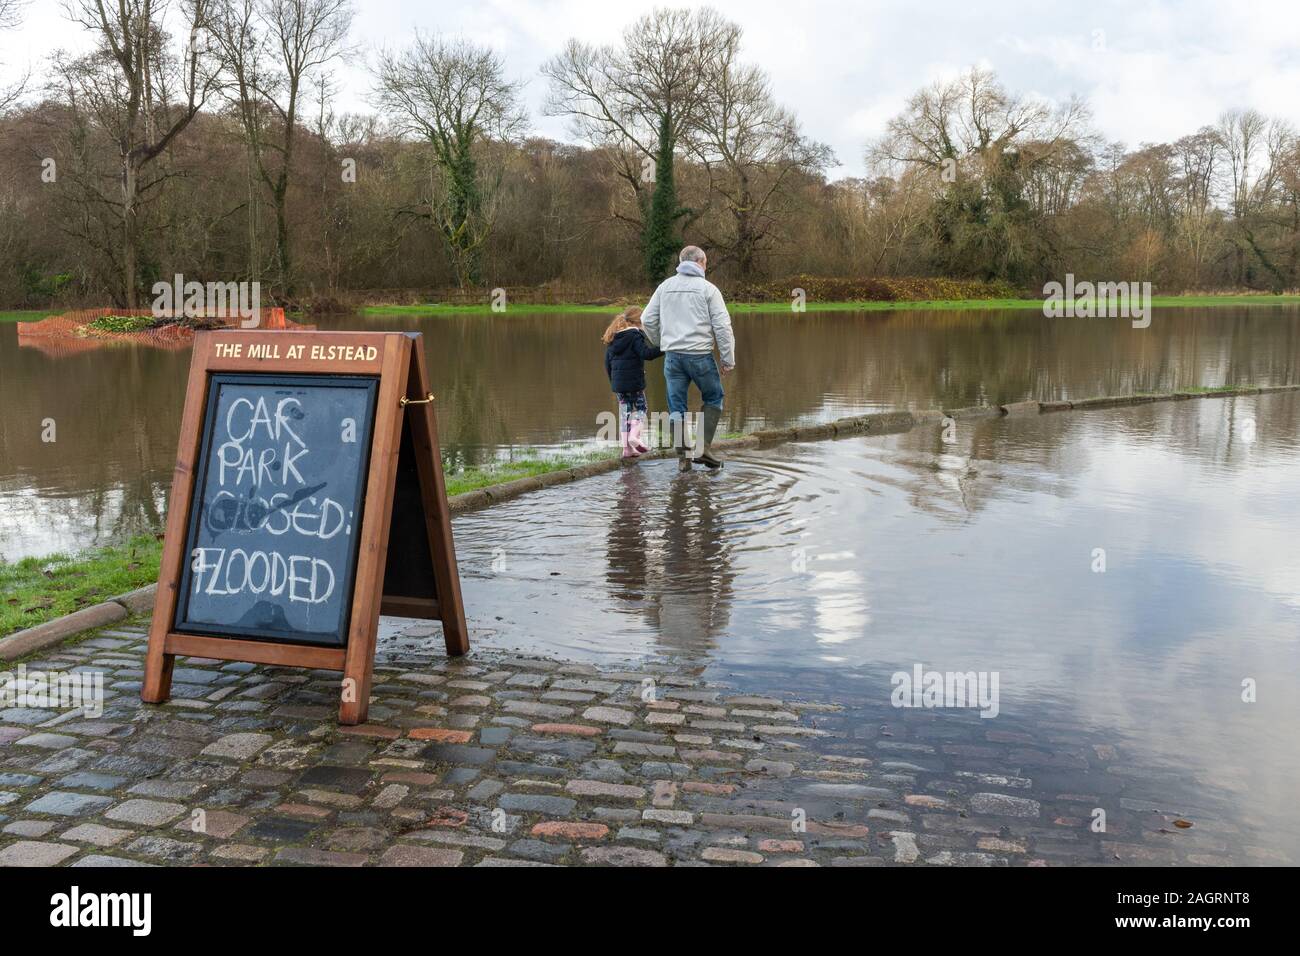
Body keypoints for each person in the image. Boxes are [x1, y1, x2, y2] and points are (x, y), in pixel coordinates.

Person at [641, 245, 736, 471]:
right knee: (713, 397)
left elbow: (646, 320)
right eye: (706, 262)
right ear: (701, 262)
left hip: (673, 358)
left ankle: (683, 459)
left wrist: (660, 342)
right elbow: (722, 327)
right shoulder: (708, 289)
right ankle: (702, 449)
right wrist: (727, 359)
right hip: (700, 356)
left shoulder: (665, 287)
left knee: (677, 407)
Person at [603, 305, 662, 458]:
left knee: (624, 414)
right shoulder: (635, 335)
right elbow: (646, 354)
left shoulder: (612, 337)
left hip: (618, 385)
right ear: (638, 322)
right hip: (635, 382)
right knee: (642, 408)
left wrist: (614, 383)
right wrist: (664, 347)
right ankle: (634, 436)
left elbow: (607, 364)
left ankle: (627, 450)